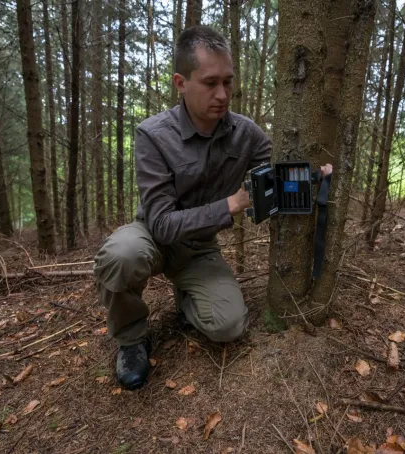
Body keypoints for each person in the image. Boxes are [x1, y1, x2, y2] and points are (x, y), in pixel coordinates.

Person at [93, 25, 332, 390]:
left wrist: (315, 176)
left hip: (199, 248)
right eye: (209, 83)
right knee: (121, 255)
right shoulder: (153, 135)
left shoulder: (246, 134)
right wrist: (231, 204)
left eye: (228, 82)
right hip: (152, 237)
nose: (222, 94)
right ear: (180, 82)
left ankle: (187, 296)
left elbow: (278, 174)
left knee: (229, 325)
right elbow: (160, 224)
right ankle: (131, 339)